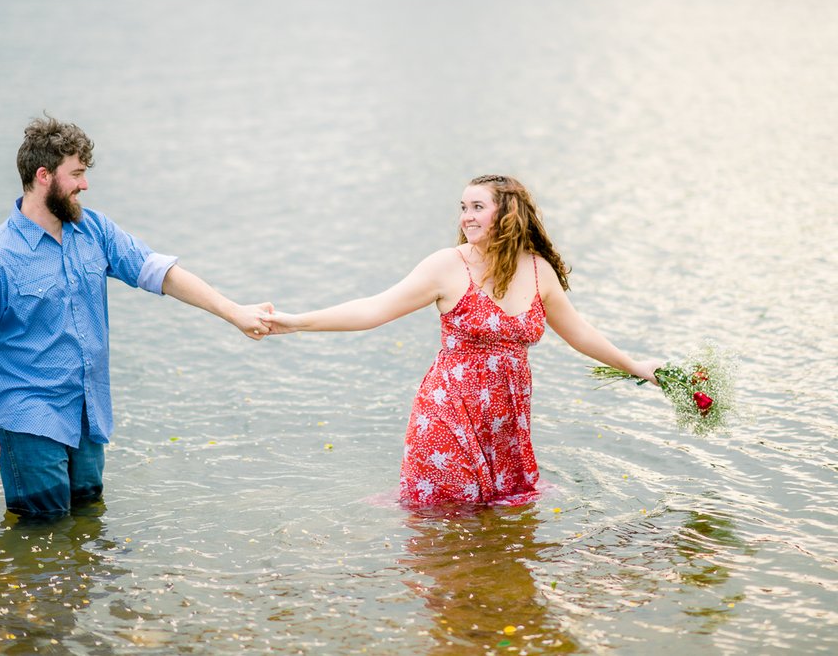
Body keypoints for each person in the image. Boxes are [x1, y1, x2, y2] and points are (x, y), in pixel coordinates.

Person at [264, 175, 662, 507]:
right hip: (449, 410)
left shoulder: (539, 271)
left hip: (506, 421)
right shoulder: (447, 266)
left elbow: (580, 333)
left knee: (496, 520)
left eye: (477, 207)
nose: (466, 217)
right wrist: (297, 322)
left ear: (507, 214)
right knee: (442, 512)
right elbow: (372, 310)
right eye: (463, 207)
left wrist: (637, 367)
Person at [0, 115, 273, 518]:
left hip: (87, 411)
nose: (85, 185)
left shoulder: (94, 230)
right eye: (77, 174)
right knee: (42, 529)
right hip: (27, 416)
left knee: (88, 519)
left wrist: (234, 312)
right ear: (44, 175)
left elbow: (158, 271)